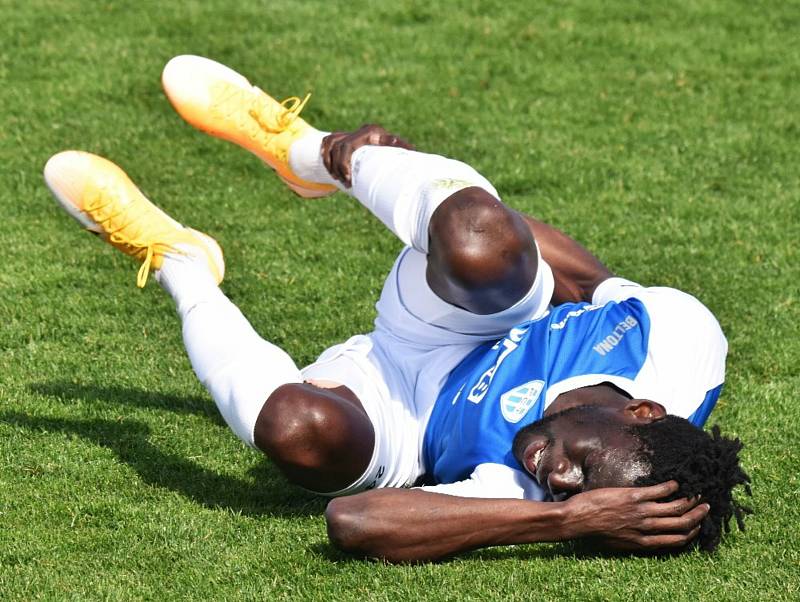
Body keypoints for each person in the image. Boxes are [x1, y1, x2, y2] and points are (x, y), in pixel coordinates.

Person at [43, 55, 749, 563]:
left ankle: (178, 260)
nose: (559, 479)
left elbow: (353, 522)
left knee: (297, 431)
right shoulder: (678, 340)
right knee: (481, 242)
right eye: (584, 467)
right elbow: (573, 269)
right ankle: (308, 153)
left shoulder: (536, 491)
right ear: (642, 411)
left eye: (574, 497)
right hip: (483, 316)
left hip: (407, 407)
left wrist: (568, 523)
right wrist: (435, 202)